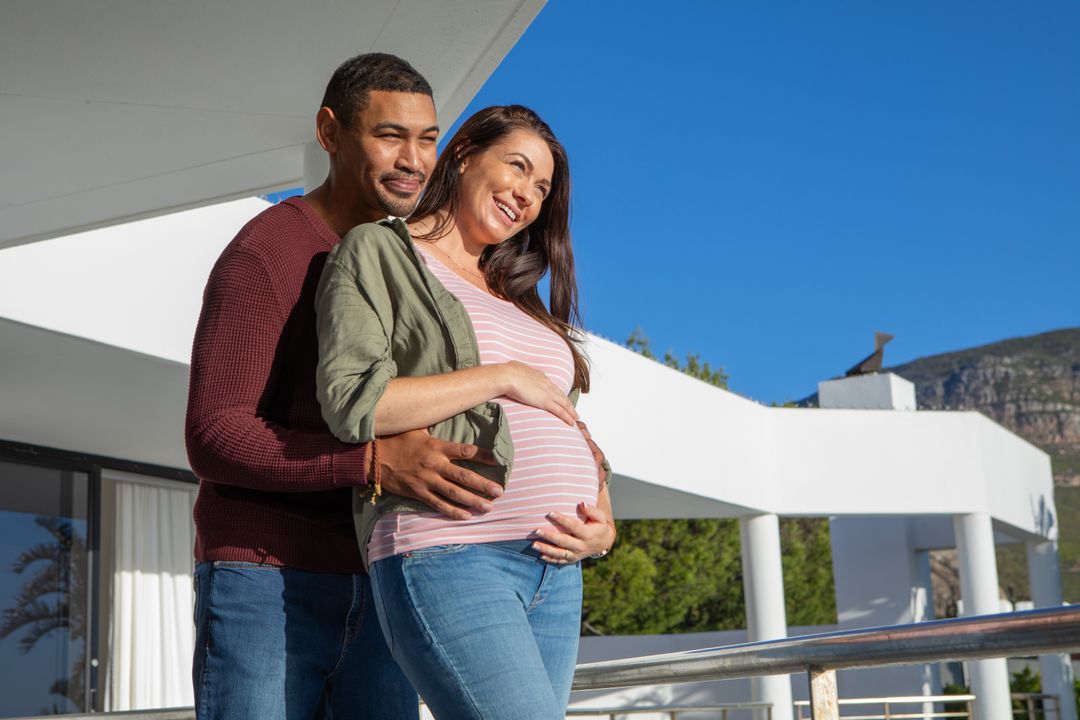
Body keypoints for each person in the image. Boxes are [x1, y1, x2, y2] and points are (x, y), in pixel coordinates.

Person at [185, 53, 507, 720]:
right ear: (330, 131)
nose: (413, 159)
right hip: (265, 580)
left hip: (384, 577)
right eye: (390, 135)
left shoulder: (415, 265)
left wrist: (586, 468)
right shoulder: (267, 253)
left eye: (427, 139)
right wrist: (370, 462)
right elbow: (216, 434)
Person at [315, 105, 615, 719]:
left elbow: (569, 423)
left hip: (557, 572)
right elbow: (355, 404)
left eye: (543, 189)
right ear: (464, 153)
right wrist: (503, 377)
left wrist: (604, 523)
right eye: (518, 168)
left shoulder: (520, 299)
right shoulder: (381, 251)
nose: (527, 196)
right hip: (450, 551)